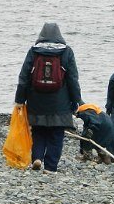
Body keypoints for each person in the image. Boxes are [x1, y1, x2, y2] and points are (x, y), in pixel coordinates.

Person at [14, 22, 83, 172]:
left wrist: (20, 99)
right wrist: (77, 101)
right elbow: (72, 79)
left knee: (38, 131)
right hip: (60, 102)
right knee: (56, 135)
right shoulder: (66, 52)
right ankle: (50, 167)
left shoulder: (34, 51)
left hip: (36, 100)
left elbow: (24, 77)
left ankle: (37, 158)